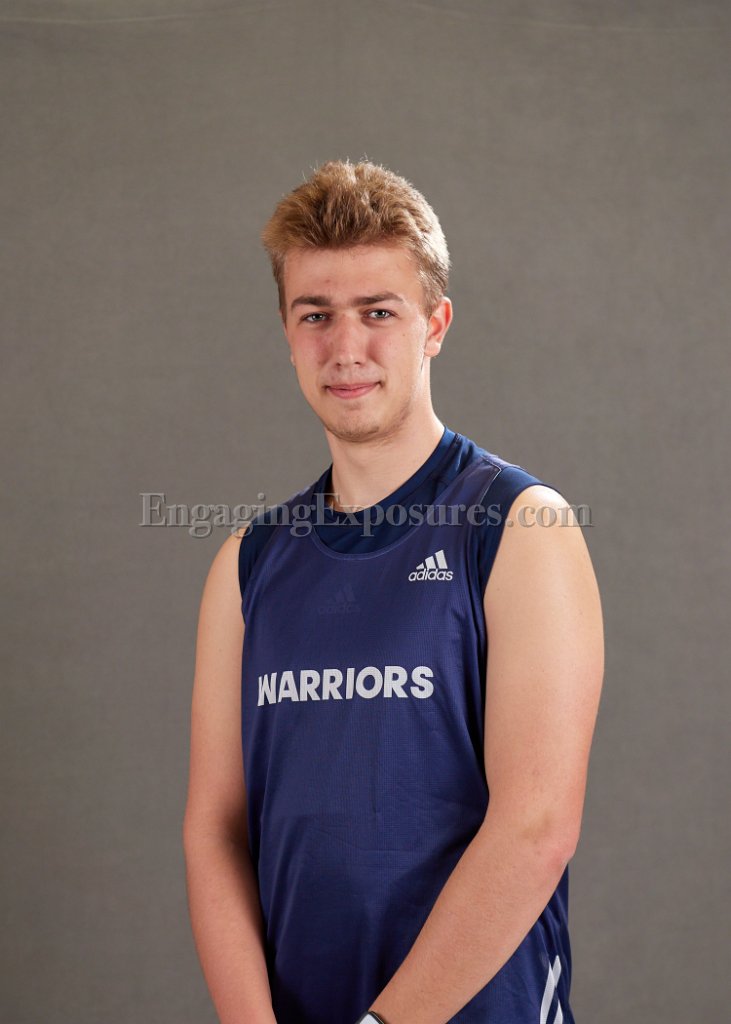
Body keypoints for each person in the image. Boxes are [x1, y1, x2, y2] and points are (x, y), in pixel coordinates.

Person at [182, 159, 604, 1024]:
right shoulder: (248, 562)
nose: (345, 348)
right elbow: (213, 831)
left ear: (433, 324)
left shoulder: (519, 527)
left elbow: (536, 827)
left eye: (378, 312)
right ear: (286, 330)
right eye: (316, 315)